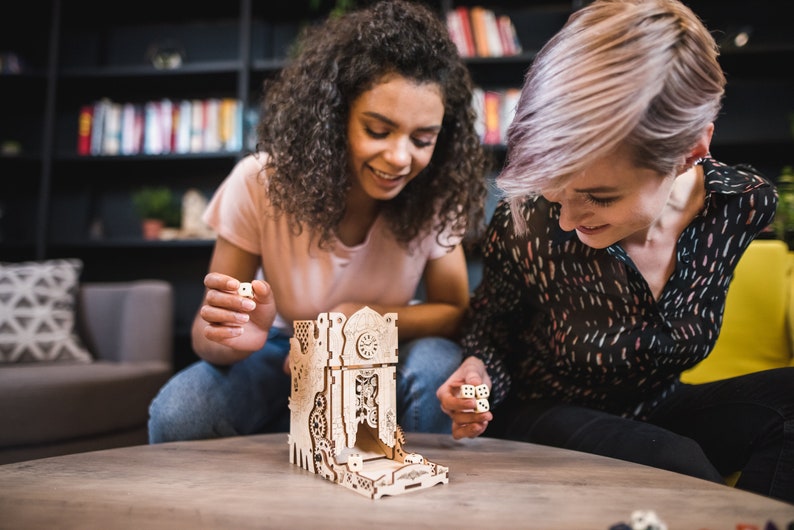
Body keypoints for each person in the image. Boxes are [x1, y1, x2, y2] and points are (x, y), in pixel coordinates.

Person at [436, 0, 793, 503]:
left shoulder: (741, 205)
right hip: (543, 413)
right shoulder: (529, 221)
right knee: (677, 464)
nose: (566, 219)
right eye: (558, 190)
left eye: (600, 197)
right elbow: (491, 328)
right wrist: (476, 372)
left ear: (691, 150)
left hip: (658, 407)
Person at [148, 0, 487, 442]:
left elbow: (454, 313)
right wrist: (236, 336)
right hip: (284, 350)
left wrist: (358, 319)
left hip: (385, 353)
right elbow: (205, 334)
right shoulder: (260, 183)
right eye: (378, 131)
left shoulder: (434, 195)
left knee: (439, 361)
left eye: (422, 139)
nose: (401, 158)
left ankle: (420, 496)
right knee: (180, 414)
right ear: (334, 117)